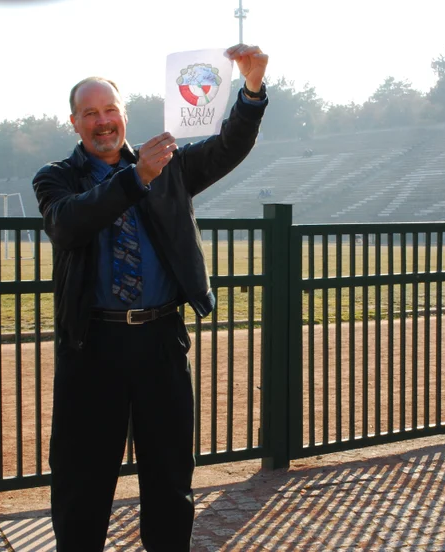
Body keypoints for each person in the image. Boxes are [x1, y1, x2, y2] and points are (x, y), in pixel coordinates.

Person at [32, 43, 268, 551]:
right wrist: (135, 178)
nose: (102, 121)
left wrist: (250, 91)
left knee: (169, 479)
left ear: (124, 115)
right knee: (82, 482)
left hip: (161, 341)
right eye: (90, 113)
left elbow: (227, 146)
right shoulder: (56, 178)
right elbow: (70, 224)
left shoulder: (169, 166)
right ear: (73, 122)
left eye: (110, 110)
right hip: (92, 346)